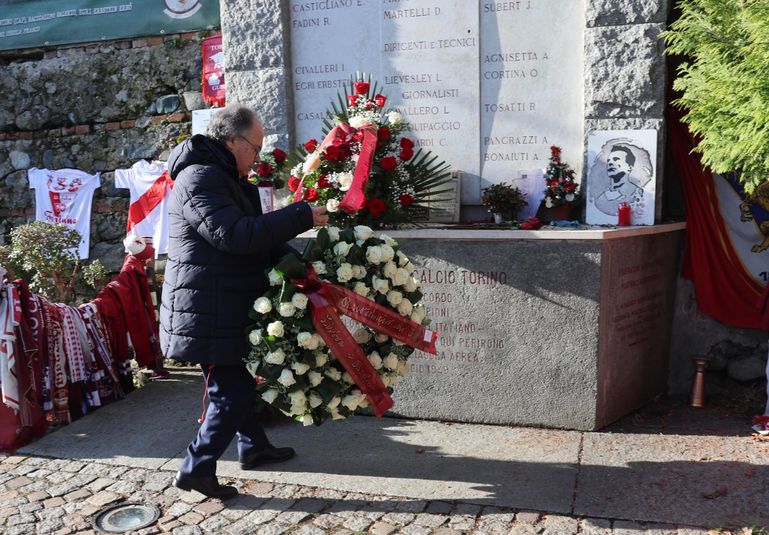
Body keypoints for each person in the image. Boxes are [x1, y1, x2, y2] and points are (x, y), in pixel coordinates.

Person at [160, 105, 328, 499]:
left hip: (222, 300)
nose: (258, 157)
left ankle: (254, 447)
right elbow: (233, 235)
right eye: (255, 147)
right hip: (207, 308)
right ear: (232, 140)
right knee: (231, 390)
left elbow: (260, 239)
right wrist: (300, 214)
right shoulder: (200, 178)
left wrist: (298, 266)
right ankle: (196, 468)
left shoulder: (227, 177)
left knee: (237, 384)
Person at [594, 145, 646, 216]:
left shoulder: (640, 195)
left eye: (616, 159)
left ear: (629, 167)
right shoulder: (600, 200)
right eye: (608, 160)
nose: (610, 163)